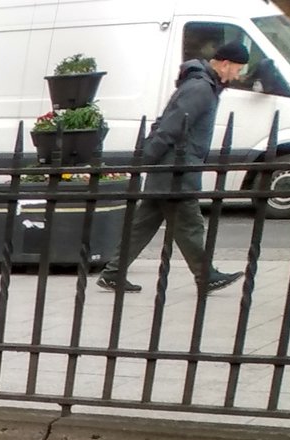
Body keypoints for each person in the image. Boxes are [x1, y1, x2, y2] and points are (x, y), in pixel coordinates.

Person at [97, 42, 246, 295]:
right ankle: (206, 275)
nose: (238, 75)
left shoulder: (201, 85)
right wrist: (150, 158)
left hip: (169, 167)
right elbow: (173, 124)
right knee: (190, 225)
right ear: (225, 64)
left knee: (142, 225)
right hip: (176, 169)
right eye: (238, 69)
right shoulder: (201, 88)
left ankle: (112, 273)